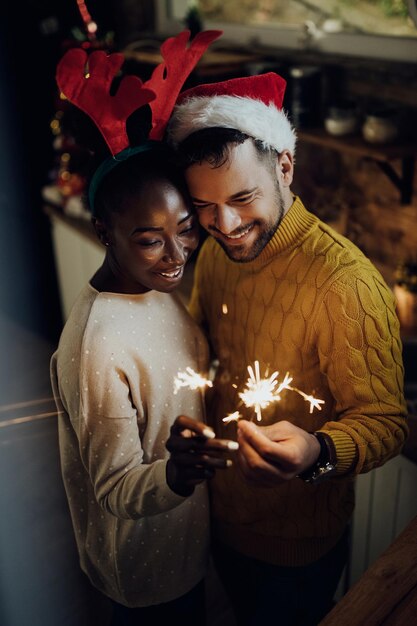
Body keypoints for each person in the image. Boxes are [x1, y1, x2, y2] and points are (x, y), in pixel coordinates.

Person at [167, 71, 409, 625]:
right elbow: (206, 359)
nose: (224, 225)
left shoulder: (346, 283)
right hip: (219, 514)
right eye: (204, 205)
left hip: (300, 548)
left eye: (242, 197)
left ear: (285, 165)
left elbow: (389, 421)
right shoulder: (214, 255)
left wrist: (317, 453)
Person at [50, 32, 238, 626]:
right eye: (150, 240)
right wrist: (178, 475)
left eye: (185, 228)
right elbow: (114, 488)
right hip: (143, 565)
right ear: (105, 233)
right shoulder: (96, 346)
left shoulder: (158, 291)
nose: (176, 254)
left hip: (189, 542)